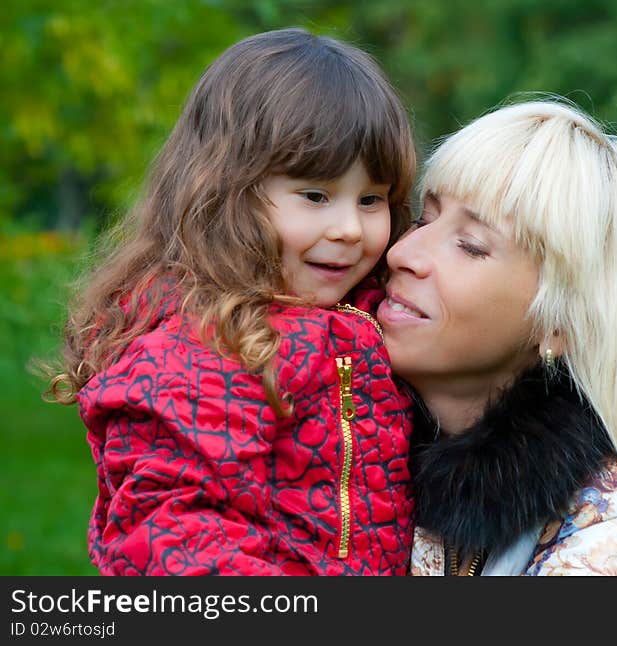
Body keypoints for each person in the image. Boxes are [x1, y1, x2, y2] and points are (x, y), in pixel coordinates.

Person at [45, 28, 417, 575]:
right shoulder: (200, 344)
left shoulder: (368, 320)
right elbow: (176, 538)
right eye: (315, 195)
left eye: (371, 200)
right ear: (225, 191)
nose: (349, 229)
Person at [376, 99, 617, 576]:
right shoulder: (363, 442)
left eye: (470, 245)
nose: (403, 252)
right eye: (424, 219)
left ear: (560, 325)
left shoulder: (610, 536)